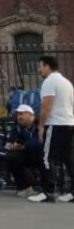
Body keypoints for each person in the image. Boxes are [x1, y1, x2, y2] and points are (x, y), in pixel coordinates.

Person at [28, 56, 74, 203]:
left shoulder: (49, 82)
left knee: (47, 158)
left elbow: (46, 105)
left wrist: (41, 126)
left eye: (40, 66)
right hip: (68, 123)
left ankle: (48, 191)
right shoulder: (66, 82)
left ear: (47, 66)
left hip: (55, 123)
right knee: (69, 159)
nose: (39, 70)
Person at [4, 104, 42, 197]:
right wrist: (11, 146)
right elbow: (7, 143)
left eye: (21, 114)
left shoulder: (39, 125)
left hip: (40, 153)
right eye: (18, 114)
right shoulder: (17, 127)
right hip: (25, 155)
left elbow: (38, 142)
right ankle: (25, 188)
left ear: (31, 115)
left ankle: (44, 187)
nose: (19, 117)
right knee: (10, 157)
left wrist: (24, 146)